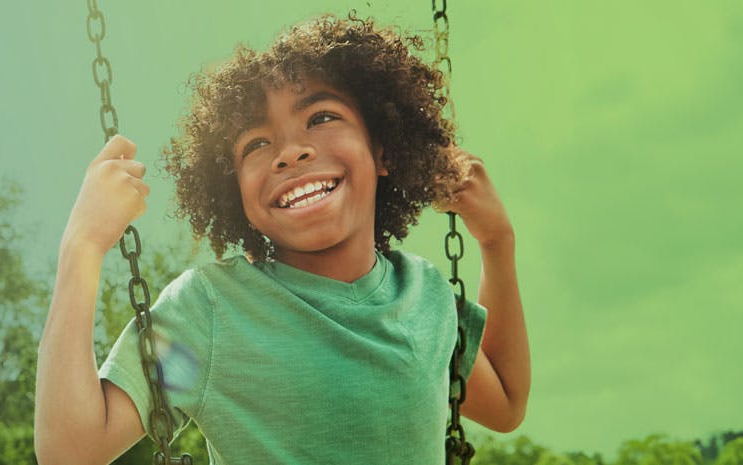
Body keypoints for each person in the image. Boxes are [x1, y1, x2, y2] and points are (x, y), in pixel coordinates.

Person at [35, 13, 529, 465]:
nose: (289, 153)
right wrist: (82, 246)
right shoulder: (212, 311)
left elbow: (506, 404)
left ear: (383, 151)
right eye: (256, 144)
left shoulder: (426, 296)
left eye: (321, 117)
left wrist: (497, 242)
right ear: (235, 194)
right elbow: (71, 451)